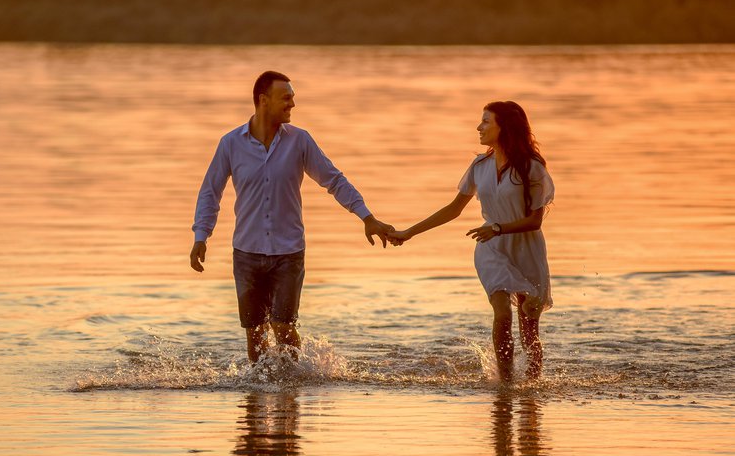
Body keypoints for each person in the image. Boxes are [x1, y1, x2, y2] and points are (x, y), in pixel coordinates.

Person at [190, 71, 393, 363]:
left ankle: (291, 397)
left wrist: (367, 217)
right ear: (264, 100)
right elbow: (211, 192)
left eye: (292, 98)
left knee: (284, 327)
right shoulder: (230, 143)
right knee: (255, 335)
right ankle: (256, 404)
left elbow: (334, 181)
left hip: (288, 253)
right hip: (246, 253)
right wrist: (201, 236)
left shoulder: (300, 141)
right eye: (286, 98)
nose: (292, 105)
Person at [388, 101, 554, 383]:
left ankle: (532, 391)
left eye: (486, 121)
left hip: (525, 247)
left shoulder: (532, 168)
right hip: (491, 247)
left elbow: (535, 221)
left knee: (529, 329)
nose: (479, 127)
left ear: (505, 127)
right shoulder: (480, 165)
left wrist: (499, 228)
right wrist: (409, 232)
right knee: (502, 314)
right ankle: (506, 384)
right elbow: (453, 209)